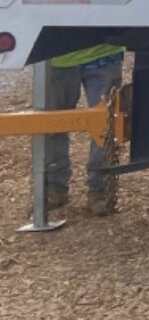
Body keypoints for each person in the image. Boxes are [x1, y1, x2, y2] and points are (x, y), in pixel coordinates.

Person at [43, 44, 124, 215]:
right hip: (60, 55)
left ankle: (98, 189)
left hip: (103, 52)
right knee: (52, 124)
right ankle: (55, 188)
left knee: (106, 126)